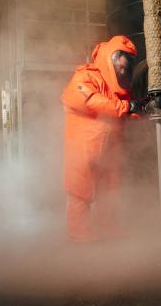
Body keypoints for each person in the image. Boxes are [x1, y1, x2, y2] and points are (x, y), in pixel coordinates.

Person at [61, 35, 146, 242]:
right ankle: (79, 237)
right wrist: (127, 107)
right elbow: (89, 100)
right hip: (84, 149)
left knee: (109, 191)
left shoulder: (119, 90)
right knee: (80, 193)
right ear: (111, 58)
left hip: (109, 150)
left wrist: (141, 107)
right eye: (121, 67)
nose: (123, 71)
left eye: (126, 69)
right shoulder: (86, 77)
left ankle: (108, 231)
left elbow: (125, 111)